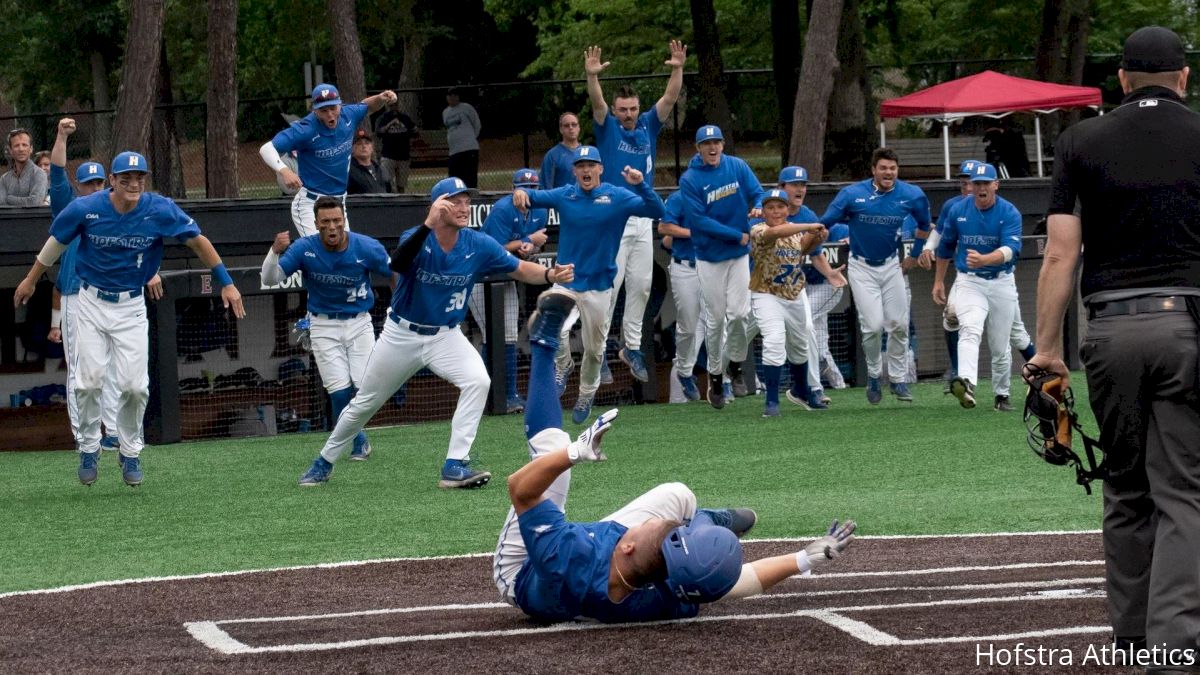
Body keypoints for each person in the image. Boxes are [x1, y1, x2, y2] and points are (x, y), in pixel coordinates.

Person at [493, 287, 857, 623]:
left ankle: (543, 342)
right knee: (678, 496)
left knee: (554, 456)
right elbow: (741, 581)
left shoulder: (567, 559)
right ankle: (705, 524)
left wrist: (574, 453)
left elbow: (521, 489)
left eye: (650, 529)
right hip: (616, 559)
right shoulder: (667, 591)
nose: (653, 522)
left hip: (526, 569)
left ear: (630, 543)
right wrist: (804, 559)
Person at [1028, 26, 1200, 665]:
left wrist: (1048, 348)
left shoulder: (1080, 140)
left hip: (1110, 330)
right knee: (1184, 489)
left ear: (1121, 80)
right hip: (1188, 325)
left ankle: (1131, 643)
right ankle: (1177, 645)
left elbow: (1061, 253)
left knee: (1126, 489)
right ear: (1183, 78)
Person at [296, 177, 576, 489]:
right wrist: (428, 224)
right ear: (437, 206)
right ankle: (324, 461)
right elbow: (398, 263)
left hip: (445, 335)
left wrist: (550, 274)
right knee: (365, 403)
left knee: (478, 380)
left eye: (466, 200)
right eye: (454, 201)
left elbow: (519, 269)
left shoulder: (477, 243)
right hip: (402, 334)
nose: (463, 206)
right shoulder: (417, 237)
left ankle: (455, 464)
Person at [14, 151, 245, 487]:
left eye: (139, 177)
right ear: (113, 181)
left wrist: (227, 282)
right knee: (88, 381)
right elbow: (56, 242)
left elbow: (197, 240)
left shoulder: (158, 208)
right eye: (126, 178)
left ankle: (130, 450)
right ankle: (90, 446)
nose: (133, 183)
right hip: (90, 302)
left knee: (135, 387)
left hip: (131, 305)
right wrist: (31, 278)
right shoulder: (87, 207)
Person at [513, 146, 664, 424]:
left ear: (600, 169)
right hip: (567, 278)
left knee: (595, 350)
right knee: (552, 323)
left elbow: (658, 210)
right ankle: (564, 365)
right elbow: (532, 197)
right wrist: (520, 194)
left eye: (591, 165)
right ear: (574, 171)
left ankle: (586, 393)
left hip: (599, 285)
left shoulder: (616, 196)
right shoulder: (566, 194)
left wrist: (641, 184)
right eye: (580, 165)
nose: (586, 170)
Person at [584, 41, 686, 383]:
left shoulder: (647, 126)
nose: (628, 114)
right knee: (609, 289)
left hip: (642, 218)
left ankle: (631, 347)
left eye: (632, 108)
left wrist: (676, 68)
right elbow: (596, 102)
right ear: (615, 111)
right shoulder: (607, 127)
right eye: (623, 109)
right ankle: (596, 355)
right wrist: (592, 76)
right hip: (612, 219)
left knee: (642, 285)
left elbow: (670, 99)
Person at [262, 197, 392, 462]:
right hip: (322, 324)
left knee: (365, 388)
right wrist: (274, 251)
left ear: (344, 220)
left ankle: (356, 439)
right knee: (338, 390)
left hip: (359, 323)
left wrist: (399, 307)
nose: (332, 227)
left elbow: (395, 272)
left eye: (336, 221)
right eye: (325, 222)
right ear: (316, 224)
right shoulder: (304, 248)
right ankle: (358, 441)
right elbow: (270, 278)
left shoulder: (366, 247)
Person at [44, 118, 133, 453]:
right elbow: (55, 173)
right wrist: (62, 136)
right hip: (74, 295)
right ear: (79, 187)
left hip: (107, 295)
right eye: (88, 184)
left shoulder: (116, 212)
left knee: (109, 365)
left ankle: (110, 430)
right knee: (80, 371)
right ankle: (85, 437)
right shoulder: (71, 208)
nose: (94, 188)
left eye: (99, 183)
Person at [819, 147, 931, 405]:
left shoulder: (912, 194)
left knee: (899, 325)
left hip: (892, 266)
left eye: (892, 168)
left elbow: (925, 225)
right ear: (873, 170)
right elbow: (825, 223)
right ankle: (873, 375)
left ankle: (898, 380)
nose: (888, 172)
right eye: (883, 168)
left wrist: (915, 253)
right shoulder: (852, 194)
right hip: (860, 267)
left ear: (897, 170)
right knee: (872, 326)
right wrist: (813, 237)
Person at [924, 160, 1037, 396]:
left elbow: (1011, 250)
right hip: (970, 279)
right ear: (969, 185)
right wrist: (937, 281)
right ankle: (965, 382)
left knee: (1003, 343)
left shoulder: (1009, 211)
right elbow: (944, 245)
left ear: (996, 184)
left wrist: (985, 259)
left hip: (1001, 279)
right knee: (969, 329)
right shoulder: (956, 208)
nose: (980, 187)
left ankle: (1003, 393)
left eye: (985, 183)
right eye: (976, 183)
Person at [678, 124, 764, 408]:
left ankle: (735, 366)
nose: (712, 148)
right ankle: (715, 376)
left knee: (740, 315)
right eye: (706, 144)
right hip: (709, 257)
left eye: (716, 142)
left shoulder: (737, 166)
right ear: (698, 148)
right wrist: (737, 234)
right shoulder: (690, 179)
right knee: (715, 321)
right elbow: (699, 221)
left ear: (723, 144)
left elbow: (758, 192)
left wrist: (759, 206)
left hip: (738, 255)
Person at [259, 83, 398, 236]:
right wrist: (284, 170)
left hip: (338, 203)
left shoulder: (348, 115)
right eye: (324, 110)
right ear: (315, 110)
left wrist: (381, 98)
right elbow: (266, 149)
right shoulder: (305, 129)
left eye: (333, 108)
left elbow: (367, 107)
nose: (330, 114)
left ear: (340, 104)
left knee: (343, 253)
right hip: (311, 203)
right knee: (319, 253)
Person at [468, 168, 550, 414]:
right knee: (492, 334)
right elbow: (493, 248)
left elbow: (528, 248)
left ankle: (510, 394)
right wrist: (527, 240)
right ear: (514, 189)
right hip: (481, 276)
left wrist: (528, 247)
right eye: (523, 188)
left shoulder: (541, 209)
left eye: (533, 189)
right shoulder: (504, 209)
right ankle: (487, 396)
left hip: (507, 275)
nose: (528, 193)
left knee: (510, 335)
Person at [748, 189, 827, 417]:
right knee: (773, 341)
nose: (775, 211)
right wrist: (809, 226)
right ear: (763, 211)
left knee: (800, 347)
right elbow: (777, 233)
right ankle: (771, 401)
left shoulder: (794, 232)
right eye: (770, 207)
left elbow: (803, 248)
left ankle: (801, 390)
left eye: (780, 206)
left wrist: (818, 235)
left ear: (787, 209)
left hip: (793, 294)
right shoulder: (758, 229)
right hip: (766, 293)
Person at [780, 166, 843, 405]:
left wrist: (830, 274)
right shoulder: (769, 209)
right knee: (739, 333)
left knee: (807, 327)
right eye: (794, 184)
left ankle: (812, 389)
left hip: (792, 284)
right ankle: (722, 376)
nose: (799, 189)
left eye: (803, 185)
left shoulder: (807, 215)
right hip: (761, 286)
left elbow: (816, 254)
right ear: (781, 187)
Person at [658, 191, 704, 402]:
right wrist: (692, 232)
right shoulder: (680, 198)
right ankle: (679, 397)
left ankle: (726, 383)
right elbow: (666, 239)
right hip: (686, 267)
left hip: (714, 268)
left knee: (722, 326)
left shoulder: (722, 197)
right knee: (688, 329)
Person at [443, 87, 481, 188]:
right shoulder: (445, 112)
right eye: (449, 96)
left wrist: (470, 138)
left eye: (454, 95)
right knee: (454, 178)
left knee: (470, 176)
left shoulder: (466, 108)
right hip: (454, 151)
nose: (451, 98)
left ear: (458, 97)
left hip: (469, 148)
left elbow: (477, 124)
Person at [373, 102, 416, 192]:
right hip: (388, 155)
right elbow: (378, 133)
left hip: (403, 155)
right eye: (390, 105)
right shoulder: (383, 118)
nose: (393, 107)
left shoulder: (405, 117)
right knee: (386, 182)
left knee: (401, 184)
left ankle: (401, 201)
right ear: (386, 106)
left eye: (395, 105)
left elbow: (414, 131)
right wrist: (390, 124)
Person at [0, 128, 48, 206]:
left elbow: (34, 202)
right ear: (10, 150)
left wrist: (9, 198)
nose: (21, 149)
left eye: (24, 145)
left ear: (31, 149)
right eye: (16, 146)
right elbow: (1, 203)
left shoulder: (39, 174)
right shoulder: (4, 179)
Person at [539, 112, 582, 189]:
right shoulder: (552, 155)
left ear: (579, 128)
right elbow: (546, 188)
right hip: (560, 200)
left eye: (574, 124)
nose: (571, 128)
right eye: (566, 125)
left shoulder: (587, 153)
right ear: (561, 129)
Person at [346, 130, 389, 195]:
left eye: (367, 143)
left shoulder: (381, 169)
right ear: (352, 149)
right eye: (359, 144)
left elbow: (389, 191)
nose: (364, 146)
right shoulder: (348, 170)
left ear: (372, 148)